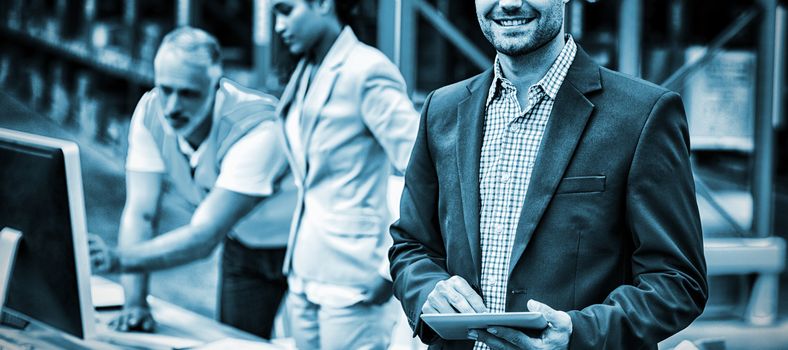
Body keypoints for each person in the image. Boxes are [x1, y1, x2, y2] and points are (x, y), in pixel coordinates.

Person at [389, 0, 708, 349]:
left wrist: (578, 332)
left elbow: (677, 280)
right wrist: (427, 292)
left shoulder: (643, 114)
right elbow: (411, 245)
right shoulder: (442, 110)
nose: (509, 3)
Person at [88, 26, 296, 339]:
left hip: (301, 250)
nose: (172, 107)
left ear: (216, 86)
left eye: (188, 93)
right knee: (238, 344)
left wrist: (118, 260)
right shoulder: (150, 112)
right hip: (244, 246)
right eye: (165, 89)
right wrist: (134, 303)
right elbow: (141, 213)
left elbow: (204, 237)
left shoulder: (256, 128)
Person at [271, 0, 420, 348]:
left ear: (324, 4)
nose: (278, 25)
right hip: (304, 271)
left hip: (355, 278)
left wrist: (389, 270)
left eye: (285, 10)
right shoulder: (307, 70)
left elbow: (422, 171)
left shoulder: (366, 70)